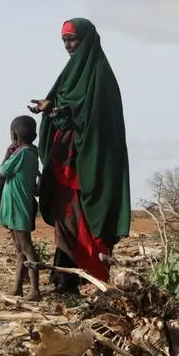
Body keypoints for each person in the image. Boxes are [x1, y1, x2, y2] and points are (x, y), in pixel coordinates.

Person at [29, 18, 131, 294]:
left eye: (72, 40)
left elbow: (97, 120)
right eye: (64, 41)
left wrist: (66, 112)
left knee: (86, 219)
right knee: (66, 218)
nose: (68, 46)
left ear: (86, 40)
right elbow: (64, 108)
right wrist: (52, 109)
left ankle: (91, 277)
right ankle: (65, 278)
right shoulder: (70, 73)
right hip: (66, 160)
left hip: (89, 163)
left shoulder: (102, 77)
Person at [0, 115, 41, 300]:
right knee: (20, 249)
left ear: (14, 135)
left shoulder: (21, 154)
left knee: (26, 247)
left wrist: (7, 154)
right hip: (20, 205)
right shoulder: (32, 153)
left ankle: (35, 290)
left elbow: (1, 172)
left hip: (17, 206)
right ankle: (18, 287)